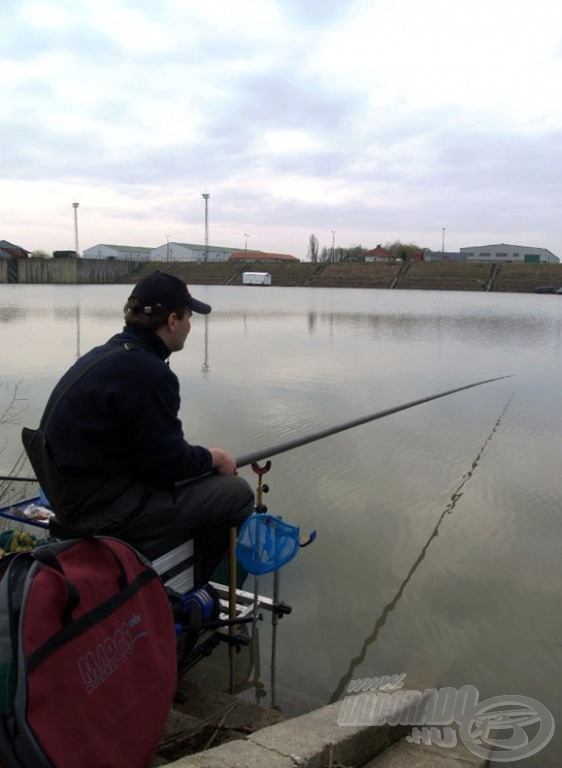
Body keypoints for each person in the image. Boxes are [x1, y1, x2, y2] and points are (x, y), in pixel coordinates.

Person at [26, 270, 254, 586]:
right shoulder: (150, 374)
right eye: (188, 316)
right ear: (172, 321)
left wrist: (198, 460)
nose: (190, 325)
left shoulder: (108, 354)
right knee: (236, 493)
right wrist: (213, 457)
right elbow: (170, 465)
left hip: (70, 500)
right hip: (101, 514)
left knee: (200, 476)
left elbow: (154, 454)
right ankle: (190, 590)